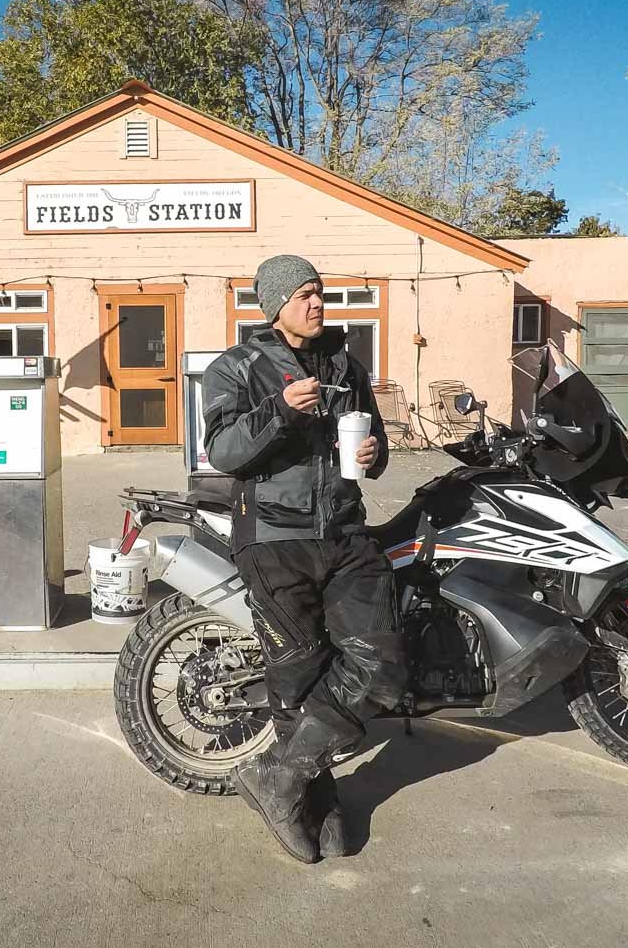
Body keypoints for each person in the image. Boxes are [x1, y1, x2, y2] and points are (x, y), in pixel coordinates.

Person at [201, 254, 408, 863]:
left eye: (321, 293)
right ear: (275, 305)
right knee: (297, 678)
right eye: (305, 295)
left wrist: (374, 452)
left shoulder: (346, 362)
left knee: (381, 664)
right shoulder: (236, 368)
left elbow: (376, 443)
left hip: (344, 532)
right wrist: (282, 410)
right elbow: (223, 451)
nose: (318, 304)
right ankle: (319, 801)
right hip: (273, 537)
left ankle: (277, 777)